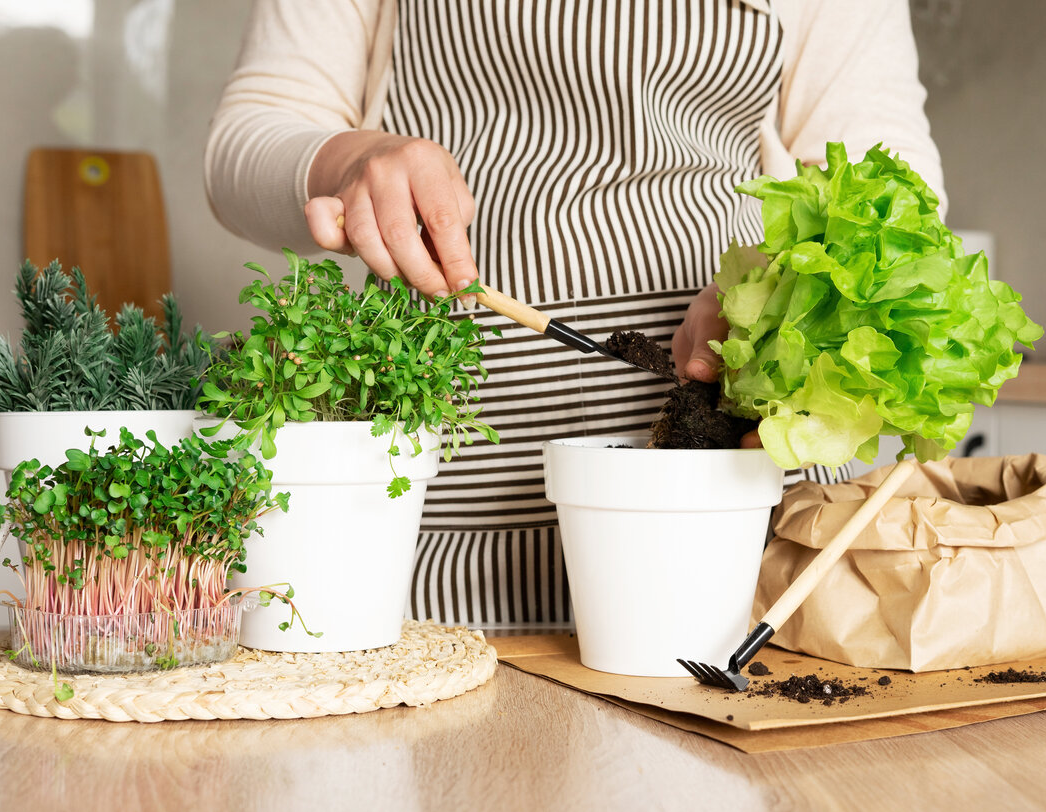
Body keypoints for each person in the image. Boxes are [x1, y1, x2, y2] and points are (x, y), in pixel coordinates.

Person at [205, 0, 945, 627]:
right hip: (463, 516)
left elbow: (893, 187)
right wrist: (350, 163)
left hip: (748, 496)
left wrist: (775, 296)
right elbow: (245, 142)